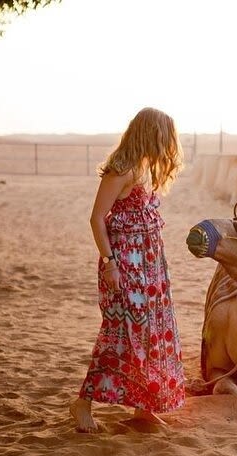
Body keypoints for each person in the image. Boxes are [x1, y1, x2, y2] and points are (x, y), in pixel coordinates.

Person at [70, 107, 186, 432]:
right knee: (119, 335)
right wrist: (110, 264)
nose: (167, 146)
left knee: (147, 336)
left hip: (149, 269)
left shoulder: (143, 168)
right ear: (150, 134)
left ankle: (143, 408)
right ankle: (82, 403)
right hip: (125, 266)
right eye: (164, 138)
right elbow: (96, 218)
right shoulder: (121, 169)